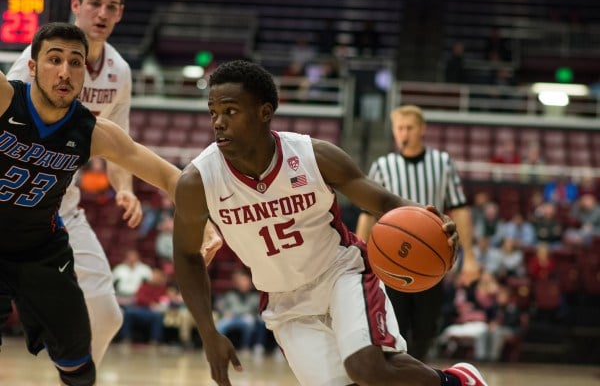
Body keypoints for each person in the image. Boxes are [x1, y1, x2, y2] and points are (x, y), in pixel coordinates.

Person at [172, 60, 488, 386]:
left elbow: (385, 203)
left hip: (341, 272)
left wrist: (434, 222)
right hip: (284, 300)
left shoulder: (313, 156)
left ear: (264, 112)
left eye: (230, 111)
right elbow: (185, 254)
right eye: (213, 112)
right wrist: (208, 333)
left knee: (368, 368)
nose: (218, 123)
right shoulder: (198, 180)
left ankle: (458, 382)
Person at [3, 0, 221, 365]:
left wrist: (125, 189)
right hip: (14, 204)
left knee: (105, 316)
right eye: (94, 4)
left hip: (61, 208)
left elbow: (121, 144)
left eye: (111, 6)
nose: (102, 13)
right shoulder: (34, 59)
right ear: (75, 6)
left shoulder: (118, 71)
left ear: (121, 13)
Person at [355, 104, 479, 362]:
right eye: (399, 128)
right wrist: (360, 253)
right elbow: (367, 214)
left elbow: (460, 210)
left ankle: (419, 372)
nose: (404, 133)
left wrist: (470, 257)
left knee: (426, 328)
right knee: (395, 326)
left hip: (431, 257)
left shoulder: (442, 162)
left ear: (422, 129)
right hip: (392, 256)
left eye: (409, 127)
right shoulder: (382, 165)